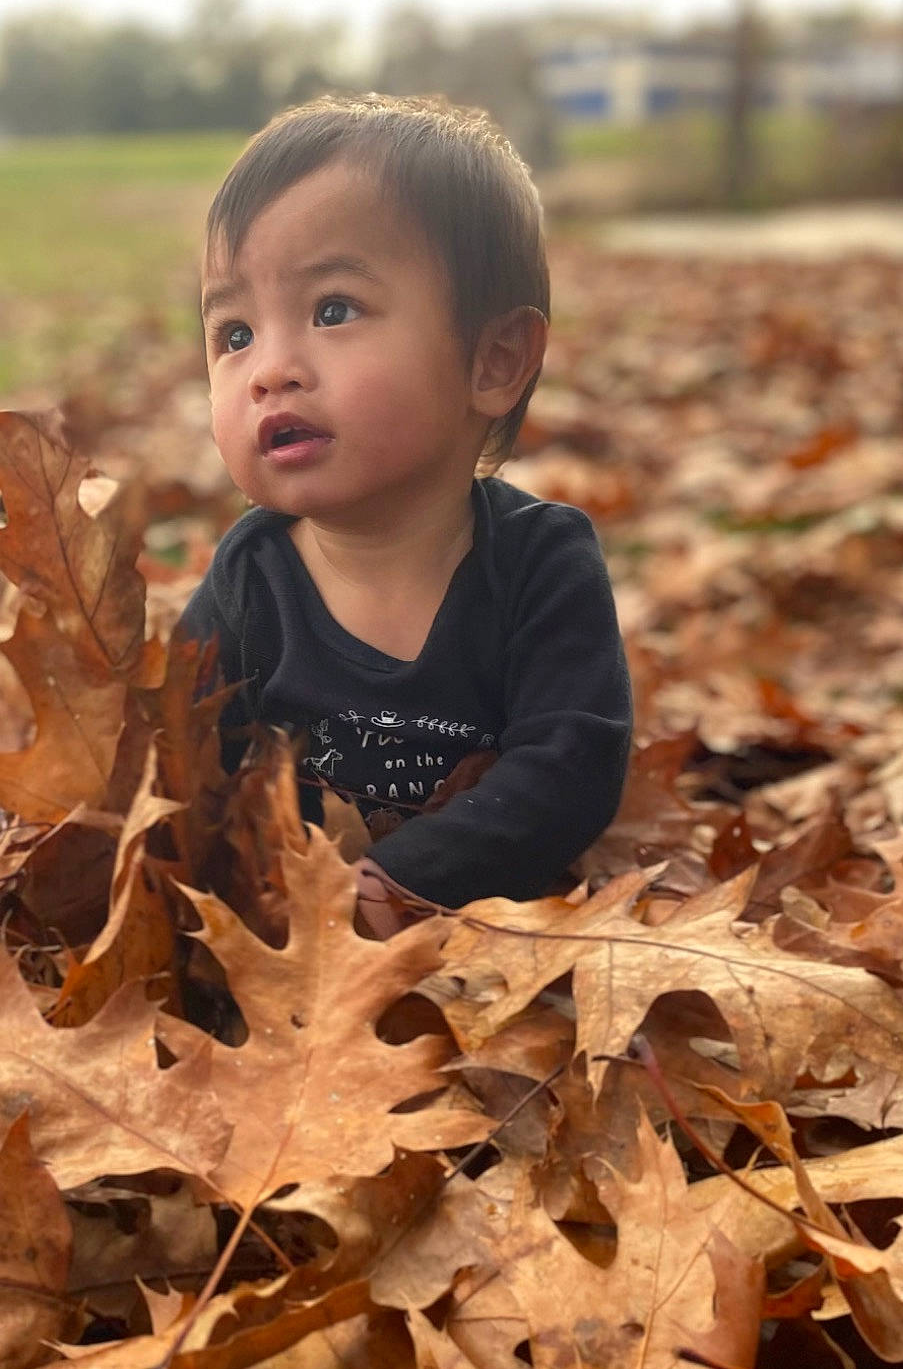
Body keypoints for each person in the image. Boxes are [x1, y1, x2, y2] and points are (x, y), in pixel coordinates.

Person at [175, 91, 633, 935]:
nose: (269, 370)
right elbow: (183, 767)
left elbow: (570, 767)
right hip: (292, 957)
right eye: (234, 334)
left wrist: (409, 880)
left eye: (333, 310)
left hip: (492, 950)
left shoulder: (541, 566)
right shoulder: (251, 580)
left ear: (493, 360)